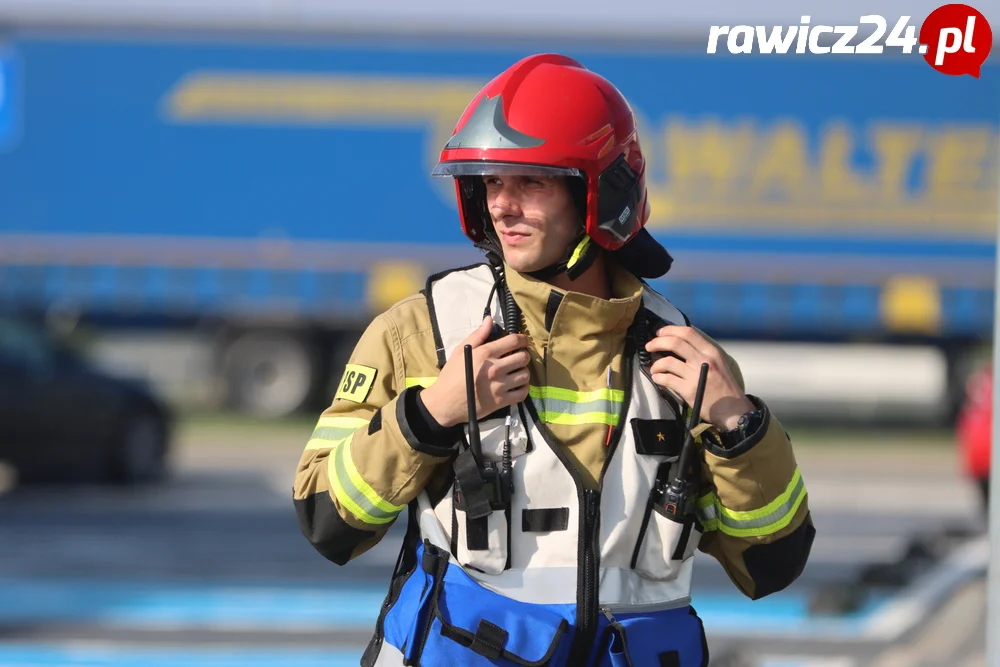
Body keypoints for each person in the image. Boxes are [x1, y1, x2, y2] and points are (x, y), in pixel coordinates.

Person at [293, 53, 815, 667]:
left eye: (531, 182)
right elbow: (328, 522)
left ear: (600, 193)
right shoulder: (420, 333)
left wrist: (739, 428)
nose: (502, 206)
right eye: (491, 182)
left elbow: (770, 565)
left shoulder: (681, 356)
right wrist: (430, 417)